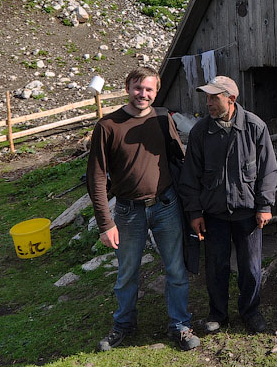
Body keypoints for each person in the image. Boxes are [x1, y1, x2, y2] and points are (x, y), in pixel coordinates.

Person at [86, 66, 200, 352]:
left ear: (156, 91)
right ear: (127, 87)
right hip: (127, 211)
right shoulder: (107, 126)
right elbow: (96, 178)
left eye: (149, 89)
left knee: (175, 268)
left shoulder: (163, 118)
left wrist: (194, 205)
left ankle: (179, 325)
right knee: (127, 272)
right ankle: (123, 325)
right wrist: (105, 223)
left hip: (166, 205)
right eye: (138, 88)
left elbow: (179, 159)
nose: (143, 94)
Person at [180, 75, 277, 334]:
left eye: (214, 97)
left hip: (247, 213)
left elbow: (269, 170)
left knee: (250, 267)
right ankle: (218, 314)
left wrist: (264, 206)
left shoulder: (255, 127)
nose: (209, 103)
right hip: (214, 213)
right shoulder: (201, 132)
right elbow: (190, 176)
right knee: (216, 267)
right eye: (207, 97)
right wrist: (194, 212)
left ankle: (250, 311)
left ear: (231, 99)